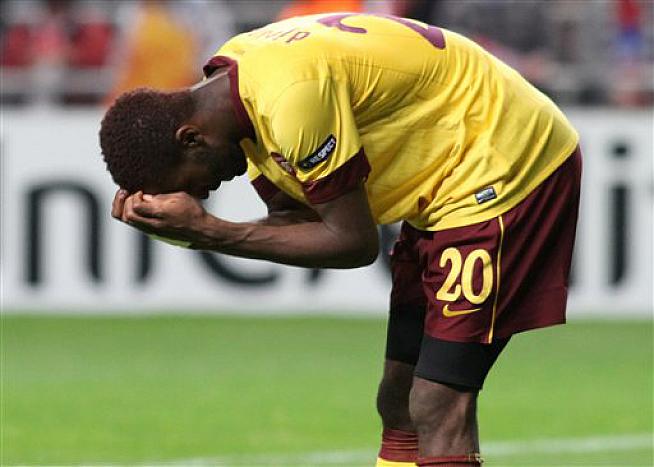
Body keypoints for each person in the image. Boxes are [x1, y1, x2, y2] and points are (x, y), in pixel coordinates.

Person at [100, 13, 581, 467]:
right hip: (444, 188)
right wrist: (197, 235)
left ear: (190, 139)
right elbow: (296, 218)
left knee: (438, 401)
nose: (201, 193)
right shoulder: (238, 88)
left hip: (506, 164)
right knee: (398, 400)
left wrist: (208, 232)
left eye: (189, 183)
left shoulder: (290, 97)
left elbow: (353, 243)